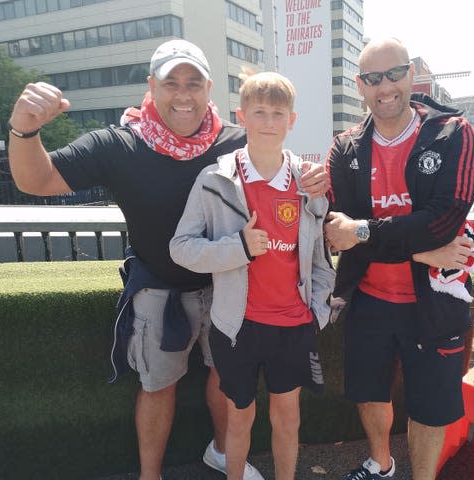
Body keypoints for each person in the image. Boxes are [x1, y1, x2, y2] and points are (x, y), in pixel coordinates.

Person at [6, 39, 326, 480]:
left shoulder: (234, 141)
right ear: (151, 86)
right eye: (171, 83)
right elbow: (35, 179)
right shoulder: (118, 144)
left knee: (225, 379)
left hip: (227, 285)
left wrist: (312, 178)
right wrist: (25, 129)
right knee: (158, 385)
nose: (183, 94)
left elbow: (285, 169)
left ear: (209, 89)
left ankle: (221, 452)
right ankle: (150, 474)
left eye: (193, 83)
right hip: (158, 285)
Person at [324, 37, 474, 480]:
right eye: (373, 78)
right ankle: (381, 464)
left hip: (432, 300)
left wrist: (365, 231)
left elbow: (445, 220)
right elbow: (336, 231)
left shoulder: (453, 133)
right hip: (368, 299)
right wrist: (420, 247)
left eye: (394, 74)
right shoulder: (345, 148)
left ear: (412, 75)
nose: (385, 86)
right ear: (360, 85)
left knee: (430, 408)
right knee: (369, 394)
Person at [169, 71, 335, 480]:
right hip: (236, 327)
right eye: (259, 112)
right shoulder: (214, 180)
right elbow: (181, 248)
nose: (268, 121)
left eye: (278, 113)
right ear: (241, 117)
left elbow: (320, 260)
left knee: (287, 419)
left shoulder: (309, 183)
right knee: (238, 420)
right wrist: (238, 248)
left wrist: (318, 310)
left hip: (294, 326)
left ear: (292, 121)